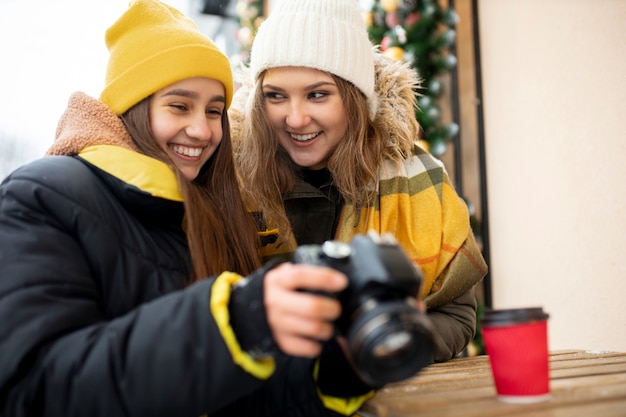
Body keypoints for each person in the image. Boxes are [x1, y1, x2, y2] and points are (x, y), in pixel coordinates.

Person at [0, 1, 384, 416]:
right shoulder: (40, 197)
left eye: (214, 111)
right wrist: (233, 322)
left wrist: (338, 370)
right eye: (179, 106)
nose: (202, 130)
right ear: (134, 107)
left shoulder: (206, 209)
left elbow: (234, 392)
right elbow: (32, 389)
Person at [230, 0, 489, 363]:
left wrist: (382, 347)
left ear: (354, 98)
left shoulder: (418, 178)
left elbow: (457, 316)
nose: (296, 118)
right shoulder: (232, 181)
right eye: (276, 96)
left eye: (317, 94)